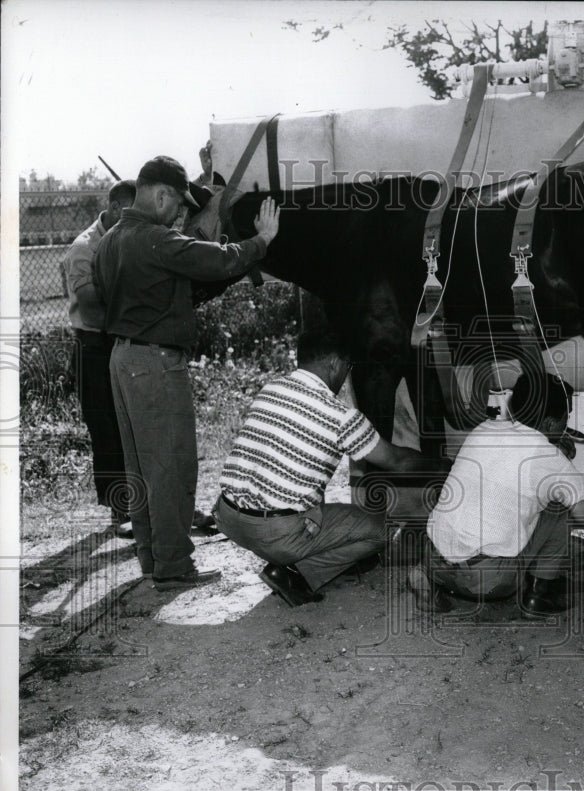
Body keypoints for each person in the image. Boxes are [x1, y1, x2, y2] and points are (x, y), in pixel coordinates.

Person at [94, 155, 280, 591]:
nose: (182, 215)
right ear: (160, 195)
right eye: (178, 204)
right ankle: (174, 567)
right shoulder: (156, 239)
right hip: (156, 363)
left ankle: (152, 558)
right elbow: (218, 261)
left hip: (122, 360)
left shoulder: (109, 240)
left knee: (139, 467)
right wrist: (262, 240)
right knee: (171, 466)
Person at [214, 329, 443, 607]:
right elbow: (398, 461)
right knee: (380, 528)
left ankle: (285, 559)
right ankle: (299, 574)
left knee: (311, 504)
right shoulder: (340, 416)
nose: (347, 374)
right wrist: (445, 464)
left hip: (227, 517)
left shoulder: (270, 388)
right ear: (335, 363)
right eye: (348, 366)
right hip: (273, 532)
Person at [413, 372, 584, 617]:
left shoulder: (483, 429)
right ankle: (540, 596)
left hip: (433, 559)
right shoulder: (552, 462)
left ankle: (426, 579)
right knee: (559, 505)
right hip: (486, 581)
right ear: (550, 423)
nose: (566, 424)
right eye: (565, 417)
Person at [60, 179, 136, 530]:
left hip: (121, 340)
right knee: (105, 430)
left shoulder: (126, 237)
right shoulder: (84, 247)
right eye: (133, 212)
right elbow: (89, 304)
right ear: (118, 207)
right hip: (93, 346)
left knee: (131, 426)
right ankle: (117, 509)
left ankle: (138, 504)